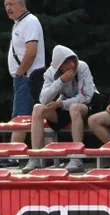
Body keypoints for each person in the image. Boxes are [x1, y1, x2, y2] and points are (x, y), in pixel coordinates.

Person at [22, 45, 97, 174]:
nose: (72, 65)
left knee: (74, 108)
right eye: (67, 62)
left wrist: (61, 104)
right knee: (38, 108)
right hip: (63, 105)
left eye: (73, 60)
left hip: (84, 106)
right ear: (60, 65)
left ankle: (76, 157)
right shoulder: (51, 73)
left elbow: (86, 97)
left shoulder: (82, 67)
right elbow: (43, 99)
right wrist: (61, 81)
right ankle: (35, 157)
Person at [3, 0, 46, 148]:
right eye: (6, 4)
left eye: (11, 4)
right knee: (30, 116)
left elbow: (31, 52)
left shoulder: (29, 22)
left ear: (22, 5)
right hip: (26, 76)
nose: (8, 8)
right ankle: (50, 153)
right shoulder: (20, 23)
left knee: (20, 117)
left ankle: (13, 154)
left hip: (28, 77)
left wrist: (20, 72)